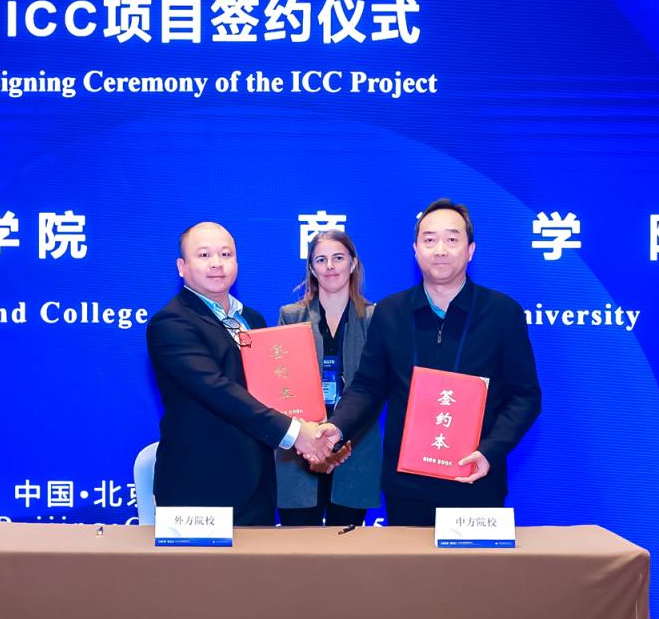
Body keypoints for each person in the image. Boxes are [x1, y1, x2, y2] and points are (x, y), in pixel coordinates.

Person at [328, 199, 542, 525]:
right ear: (416, 250)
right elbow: (368, 387)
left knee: (475, 563)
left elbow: (525, 396)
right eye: (429, 240)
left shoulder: (503, 313)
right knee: (410, 561)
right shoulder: (390, 312)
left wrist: (490, 451)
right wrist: (336, 426)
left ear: (470, 250)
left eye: (452, 239)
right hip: (407, 487)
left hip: (475, 481)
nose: (440, 249)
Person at [146, 222, 338, 525]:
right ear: (182, 267)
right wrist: (296, 434)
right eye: (204, 255)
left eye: (226, 254)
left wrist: (310, 426)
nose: (217, 263)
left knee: (257, 559)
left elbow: (274, 390)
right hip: (199, 486)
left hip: (257, 484)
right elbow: (217, 390)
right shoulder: (171, 323)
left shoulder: (251, 319)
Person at [276, 230, 381, 527]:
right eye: (321, 260)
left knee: (346, 549)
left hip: (355, 449)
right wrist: (310, 443)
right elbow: (282, 386)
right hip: (300, 452)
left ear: (353, 263)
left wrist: (341, 442)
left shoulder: (374, 318)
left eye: (338, 258)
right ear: (311, 268)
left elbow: (376, 388)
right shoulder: (290, 316)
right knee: (298, 548)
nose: (330, 266)